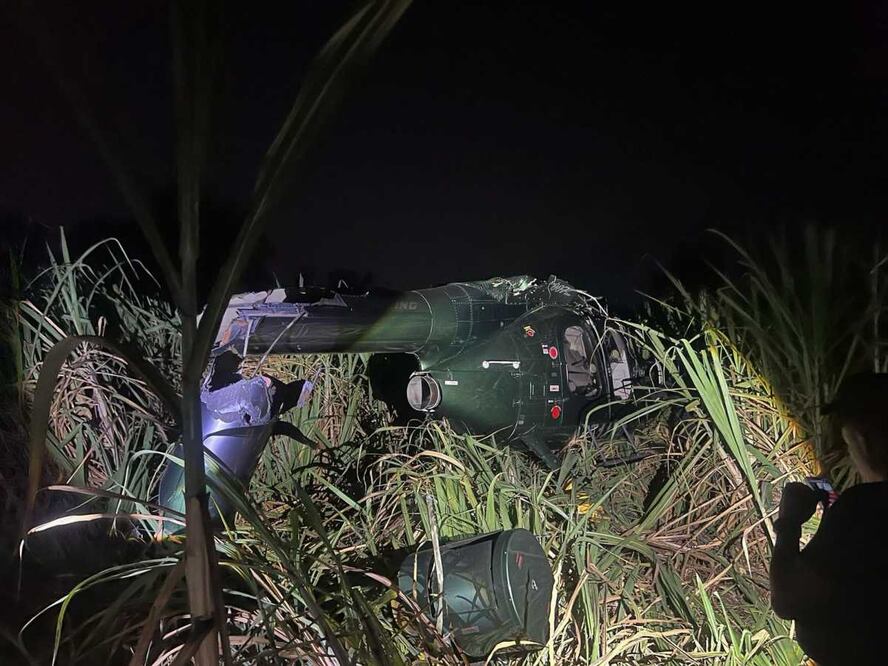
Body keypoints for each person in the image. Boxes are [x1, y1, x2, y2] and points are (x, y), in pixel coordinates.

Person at [770, 373, 888, 665]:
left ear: (862, 440)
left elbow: (788, 599)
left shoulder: (866, 507)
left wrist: (789, 523)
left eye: (847, 443)